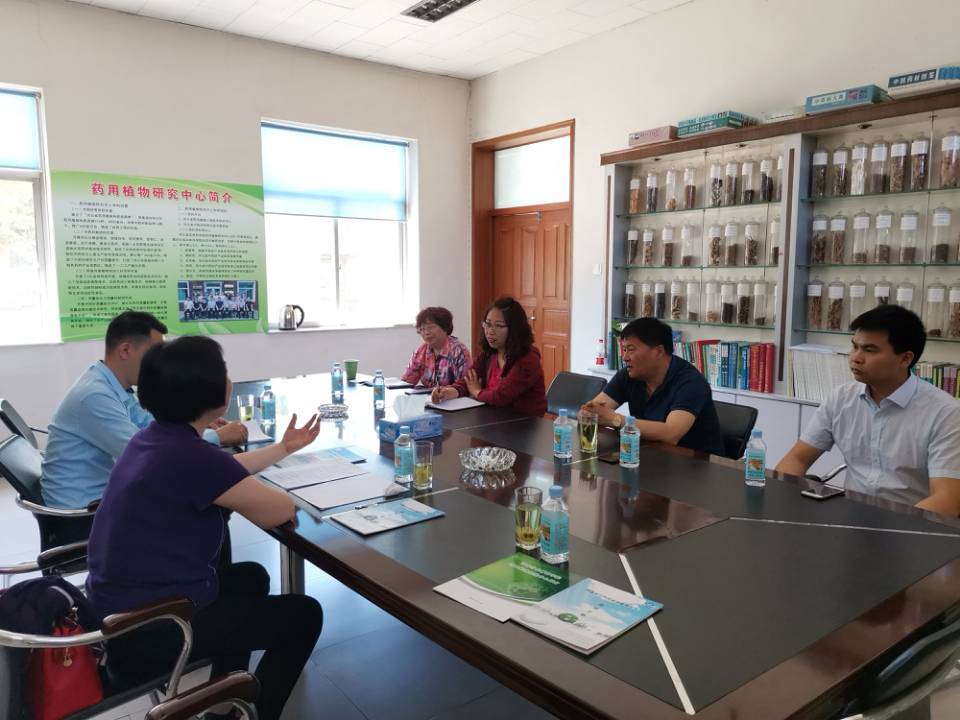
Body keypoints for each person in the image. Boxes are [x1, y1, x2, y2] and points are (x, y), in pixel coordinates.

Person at [86, 335, 323, 720]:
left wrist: (283, 448)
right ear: (210, 392)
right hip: (153, 628)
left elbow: (224, 469)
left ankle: (224, 703)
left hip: (119, 612)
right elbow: (277, 510)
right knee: (304, 616)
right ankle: (257, 712)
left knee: (250, 577)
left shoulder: (155, 438)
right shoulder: (190, 456)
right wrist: (287, 491)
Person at [41, 311, 247, 511]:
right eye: (155, 354)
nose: (160, 364)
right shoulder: (93, 395)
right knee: (199, 500)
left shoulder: (114, 386)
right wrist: (217, 437)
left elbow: (150, 426)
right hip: (85, 511)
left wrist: (197, 423)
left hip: (107, 492)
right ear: (125, 351)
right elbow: (146, 454)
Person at [777, 306, 960, 515]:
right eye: (854, 347)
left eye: (870, 350)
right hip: (850, 517)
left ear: (905, 359)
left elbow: (947, 499)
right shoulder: (841, 398)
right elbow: (797, 459)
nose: (855, 357)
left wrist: (893, 528)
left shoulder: (946, 414)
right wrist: (779, 499)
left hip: (911, 523)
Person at [581, 317, 724, 455]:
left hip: (698, 463)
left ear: (658, 351)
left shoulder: (691, 382)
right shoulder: (629, 374)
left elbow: (671, 434)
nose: (625, 357)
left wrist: (615, 419)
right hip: (651, 454)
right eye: (624, 350)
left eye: (631, 349)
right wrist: (590, 413)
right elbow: (588, 413)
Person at [432, 296, 546, 416]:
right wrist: (449, 391)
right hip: (494, 417)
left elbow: (500, 396)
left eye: (499, 326)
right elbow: (469, 380)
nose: (490, 331)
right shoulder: (489, 354)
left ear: (515, 329)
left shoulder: (528, 360)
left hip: (524, 421)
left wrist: (476, 391)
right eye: (488, 324)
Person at [401, 306, 472, 388]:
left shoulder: (458, 351)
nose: (426, 333)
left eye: (431, 327)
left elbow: (465, 385)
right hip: (428, 395)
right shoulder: (421, 351)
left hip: (453, 395)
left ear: (445, 327)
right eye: (422, 329)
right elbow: (407, 382)